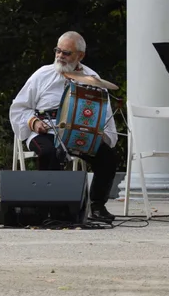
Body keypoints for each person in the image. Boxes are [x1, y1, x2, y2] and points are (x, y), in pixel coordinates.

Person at [9, 32, 119, 222]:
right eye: (57, 51)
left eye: (66, 53)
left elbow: (105, 114)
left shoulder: (93, 78)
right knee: (48, 153)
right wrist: (34, 123)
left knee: (107, 157)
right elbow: (19, 107)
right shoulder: (42, 75)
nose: (60, 56)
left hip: (79, 133)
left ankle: (98, 206)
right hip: (46, 131)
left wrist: (99, 134)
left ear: (80, 56)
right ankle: (47, 208)